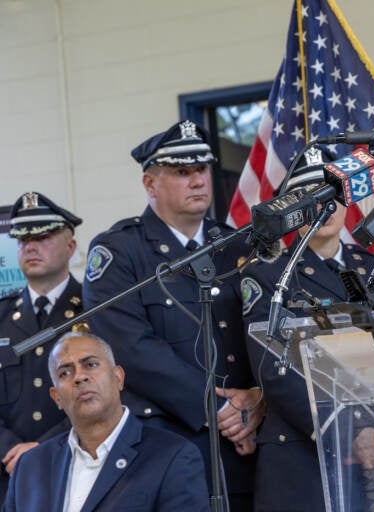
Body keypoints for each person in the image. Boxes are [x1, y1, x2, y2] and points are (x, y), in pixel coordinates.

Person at [82, 120, 263, 510]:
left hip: (246, 444)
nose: (198, 180)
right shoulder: (120, 252)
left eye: (201, 169)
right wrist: (217, 409)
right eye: (182, 172)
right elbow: (132, 348)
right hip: (168, 447)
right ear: (150, 184)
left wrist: (258, 397)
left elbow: (266, 331)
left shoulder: (236, 244)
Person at [241, 151, 374, 512]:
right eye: (310, 197)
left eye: (332, 195)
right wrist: (350, 430)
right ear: (292, 208)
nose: (326, 206)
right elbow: (275, 370)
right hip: (301, 454)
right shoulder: (268, 276)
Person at [3, 332, 209, 511]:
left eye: (90, 365)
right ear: (56, 397)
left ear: (118, 378)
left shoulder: (172, 456)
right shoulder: (30, 467)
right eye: (65, 372)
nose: (79, 377)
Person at [0, 192, 84, 502]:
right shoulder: (2, 315)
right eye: (22, 239)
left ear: (71, 246)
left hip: (76, 464)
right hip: (8, 474)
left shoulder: (95, 310)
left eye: (43, 236)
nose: (30, 247)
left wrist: (45, 446)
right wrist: (9, 448)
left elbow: (115, 392)